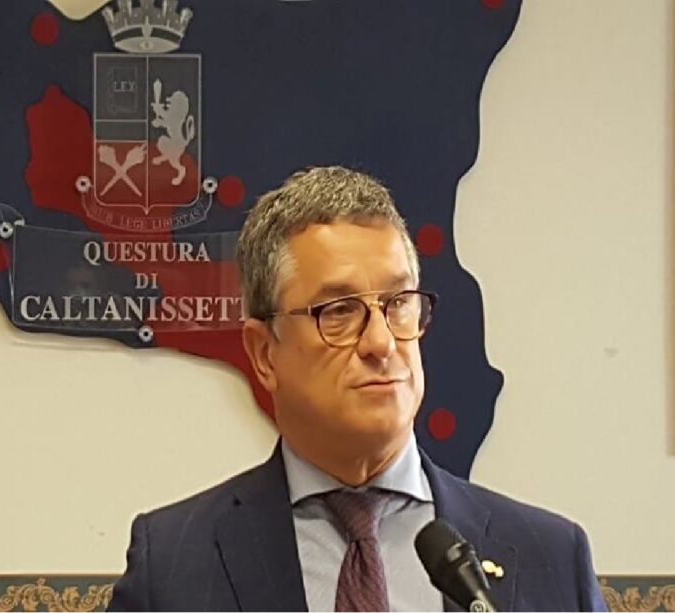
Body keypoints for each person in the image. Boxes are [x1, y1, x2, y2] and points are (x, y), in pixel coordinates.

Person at [108, 166, 607, 612]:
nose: (381, 342)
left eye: (399, 303)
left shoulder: (550, 557)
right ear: (264, 354)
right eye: (340, 311)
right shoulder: (175, 565)